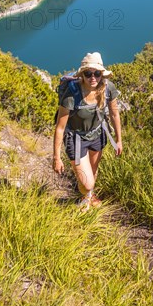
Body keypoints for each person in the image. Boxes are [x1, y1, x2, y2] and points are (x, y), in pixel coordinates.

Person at [53, 52, 122, 211]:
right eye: (88, 73)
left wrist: (119, 139)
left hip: (98, 134)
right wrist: (56, 157)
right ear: (82, 75)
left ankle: (87, 198)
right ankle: (86, 192)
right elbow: (60, 127)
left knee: (93, 171)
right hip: (76, 139)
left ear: (102, 74)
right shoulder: (72, 94)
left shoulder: (108, 88)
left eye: (97, 73)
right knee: (87, 182)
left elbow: (114, 113)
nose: (93, 77)